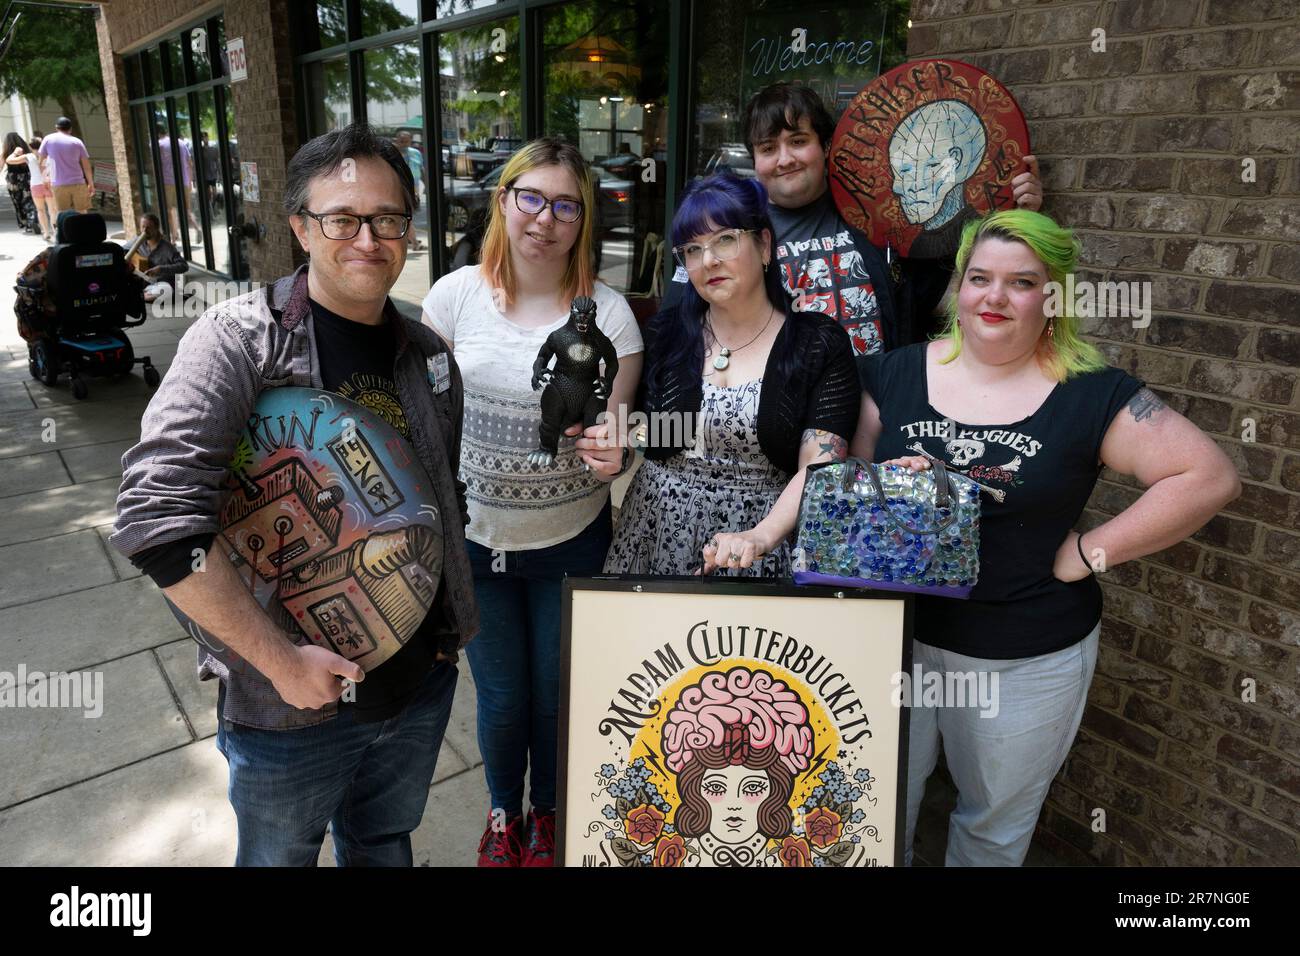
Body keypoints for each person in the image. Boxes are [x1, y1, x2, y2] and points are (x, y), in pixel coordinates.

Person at [111, 122, 478, 867]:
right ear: (301, 228)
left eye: (387, 219)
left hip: (419, 680)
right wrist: (280, 663)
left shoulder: (430, 354)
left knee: (382, 840)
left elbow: (439, 502)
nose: (367, 238)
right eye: (342, 218)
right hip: (291, 708)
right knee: (280, 859)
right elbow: (157, 517)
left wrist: (444, 641)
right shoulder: (238, 340)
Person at [851, 209, 1241, 866]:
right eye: (979, 277)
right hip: (898, 642)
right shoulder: (891, 374)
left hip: (1023, 656)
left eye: (1021, 282)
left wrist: (1092, 553)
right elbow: (843, 488)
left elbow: (1207, 475)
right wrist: (879, 485)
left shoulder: (1093, 395)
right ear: (958, 286)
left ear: (1053, 296)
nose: (994, 297)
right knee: (878, 808)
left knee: (991, 828)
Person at [421, 137, 643, 867]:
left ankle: (547, 815)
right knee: (501, 696)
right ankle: (500, 816)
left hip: (571, 539)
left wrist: (620, 445)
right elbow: (425, 420)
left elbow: (619, 424)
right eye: (532, 198)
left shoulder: (609, 316)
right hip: (477, 541)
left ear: (584, 220)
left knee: (555, 695)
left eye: (566, 205)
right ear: (504, 201)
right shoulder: (452, 297)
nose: (546, 219)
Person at [602, 173, 859, 577]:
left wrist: (761, 535)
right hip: (653, 533)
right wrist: (618, 444)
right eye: (692, 248)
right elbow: (652, 433)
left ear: (764, 245)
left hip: (760, 543)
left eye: (725, 239)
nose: (708, 260)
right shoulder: (667, 335)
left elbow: (819, 467)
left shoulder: (817, 344)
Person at [665, 83, 1043, 354]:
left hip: (874, 411)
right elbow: (677, 320)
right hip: (781, 417)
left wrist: (1017, 218)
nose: (785, 159)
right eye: (768, 148)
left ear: (825, 146)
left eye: (798, 141)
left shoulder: (879, 214)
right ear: (755, 159)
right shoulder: (735, 232)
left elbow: (950, 291)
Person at [38, 117, 94, 214]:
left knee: (62, 213)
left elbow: (42, 162)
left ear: (56, 128)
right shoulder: (77, 142)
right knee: (82, 212)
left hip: (58, 183)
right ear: (70, 129)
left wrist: (44, 178)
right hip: (78, 182)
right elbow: (86, 166)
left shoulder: (48, 139)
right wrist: (90, 183)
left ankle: (65, 229)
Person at [130, 212, 189, 304]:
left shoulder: (167, 247)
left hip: (164, 283)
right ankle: (141, 295)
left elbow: (184, 266)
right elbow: (122, 251)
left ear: (156, 228)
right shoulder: (137, 242)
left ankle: (140, 296)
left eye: (148, 227)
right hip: (146, 283)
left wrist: (160, 269)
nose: (145, 231)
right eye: (143, 227)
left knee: (164, 291)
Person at [4, 133, 42, 235]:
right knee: (29, 199)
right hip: (27, 178)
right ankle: (33, 219)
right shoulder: (26, 149)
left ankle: (25, 223)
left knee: (18, 202)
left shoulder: (7, 152)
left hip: (13, 180)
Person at [26, 135, 59, 241]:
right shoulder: (49, 155)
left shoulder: (28, 157)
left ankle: (46, 233)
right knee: (53, 210)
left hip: (35, 185)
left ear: (30, 146)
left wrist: (15, 153)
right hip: (48, 184)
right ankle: (56, 232)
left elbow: (10, 160)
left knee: (40, 210)